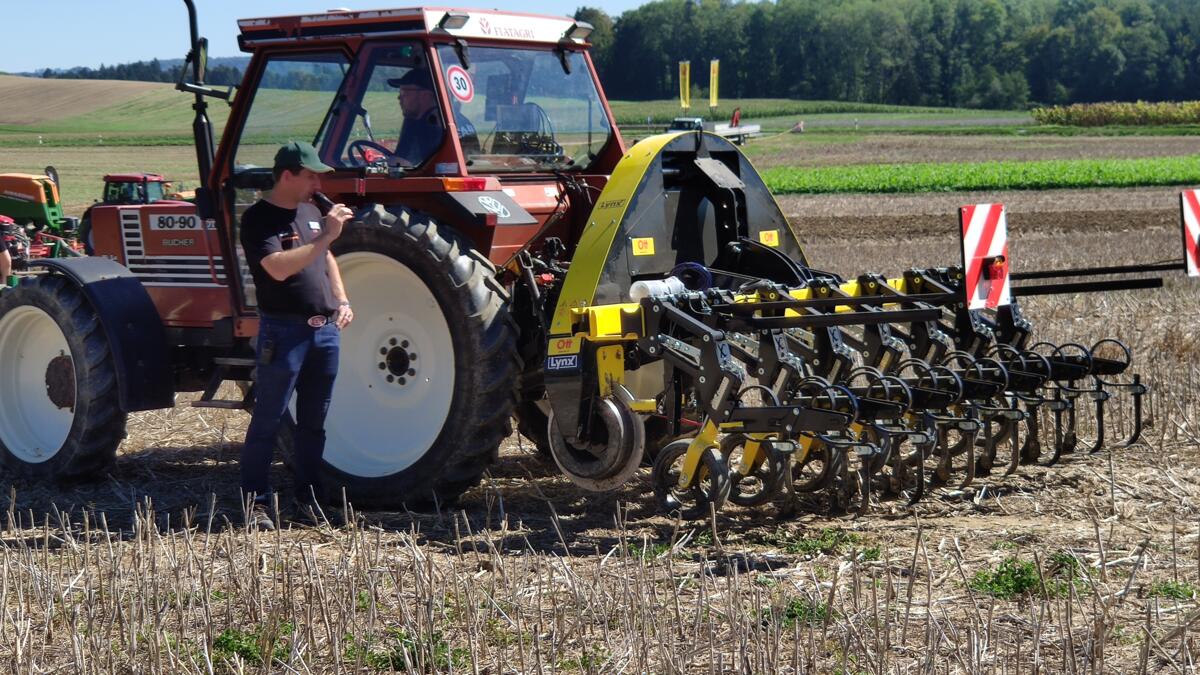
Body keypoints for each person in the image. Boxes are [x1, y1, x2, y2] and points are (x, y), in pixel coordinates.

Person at [239, 141, 355, 529]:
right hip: (284, 333)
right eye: (310, 175)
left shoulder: (310, 211)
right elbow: (276, 268)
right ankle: (255, 504)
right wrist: (326, 236)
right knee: (268, 420)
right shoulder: (258, 219)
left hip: (324, 333)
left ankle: (309, 500)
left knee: (314, 423)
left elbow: (327, 260)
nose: (317, 182)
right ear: (287, 175)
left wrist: (342, 300)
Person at [388, 69, 445, 166]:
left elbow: (399, 164)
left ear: (425, 95)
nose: (399, 98)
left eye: (404, 93)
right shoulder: (455, 120)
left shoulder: (422, 127)